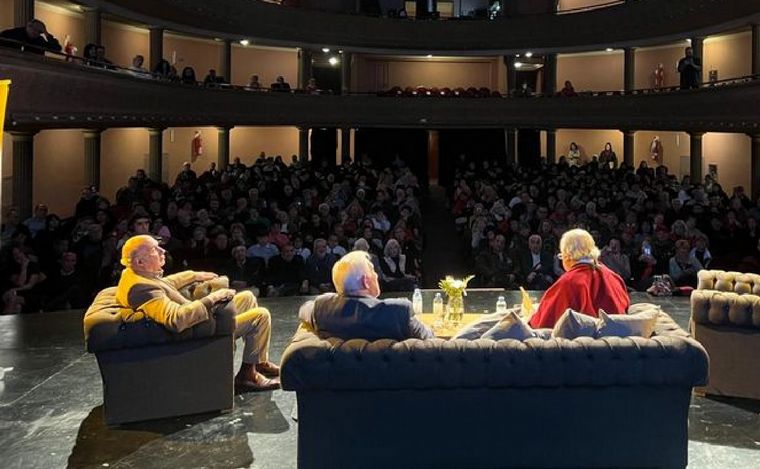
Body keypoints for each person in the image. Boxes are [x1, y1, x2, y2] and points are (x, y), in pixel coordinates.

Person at [115, 235, 279, 391]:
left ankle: (258, 361)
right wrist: (213, 298)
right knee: (260, 316)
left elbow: (166, 283)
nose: (162, 251)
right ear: (140, 261)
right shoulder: (141, 288)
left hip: (197, 319)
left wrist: (194, 275)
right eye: (154, 249)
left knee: (248, 297)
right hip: (198, 329)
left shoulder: (134, 274)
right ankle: (247, 375)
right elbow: (176, 319)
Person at [297, 250, 434, 341]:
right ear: (366, 282)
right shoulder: (399, 311)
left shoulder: (321, 307)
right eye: (373, 271)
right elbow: (429, 338)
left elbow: (304, 309)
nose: (376, 275)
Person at [529, 229, 630, 328]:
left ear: (568, 254)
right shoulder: (615, 278)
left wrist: (530, 315)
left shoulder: (568, 282)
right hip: (618, 335)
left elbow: (543, 323)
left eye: (561, 255)